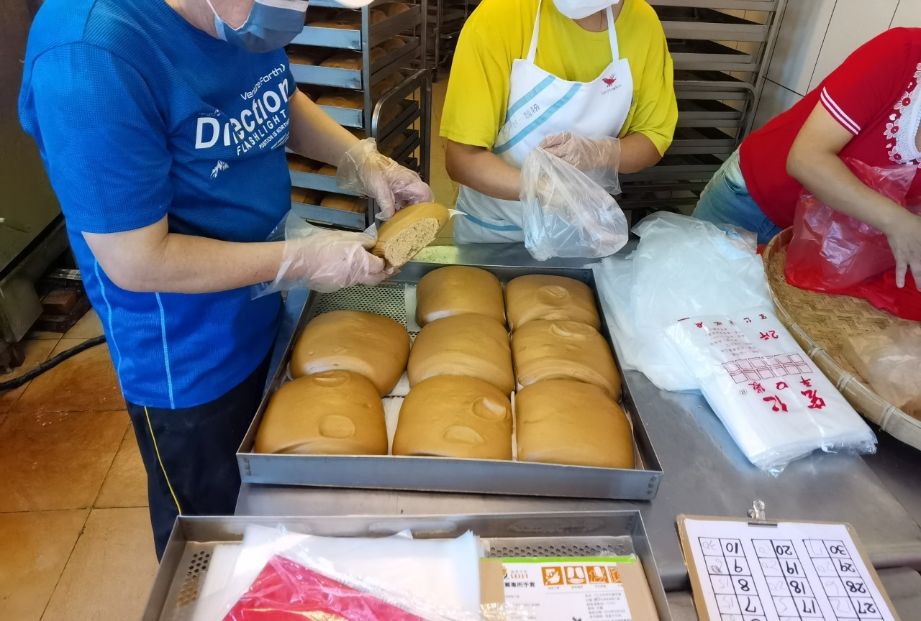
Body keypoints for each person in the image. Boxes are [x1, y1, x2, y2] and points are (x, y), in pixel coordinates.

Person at [18, 0, 432, 557]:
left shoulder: (233, 17)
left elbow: (271, 94)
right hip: (189, 358)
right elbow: (136, 260)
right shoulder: (89, 58)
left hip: (263, 311)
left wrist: (360, 158)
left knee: (275, 517)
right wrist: (301, 261)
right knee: (214, 542)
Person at [694, 28, 921, 289]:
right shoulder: (901, 53)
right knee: (689, 296)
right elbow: (805, 158)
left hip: (816, 246)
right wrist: (897, 221)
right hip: (753, 203)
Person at [440, 0, 677, 243]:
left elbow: (652, 138)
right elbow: (462, 158)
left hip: (584, 229)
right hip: (496, 231)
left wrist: (601, 152)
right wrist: (543, 189)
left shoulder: (643, 24)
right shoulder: (500, 15)